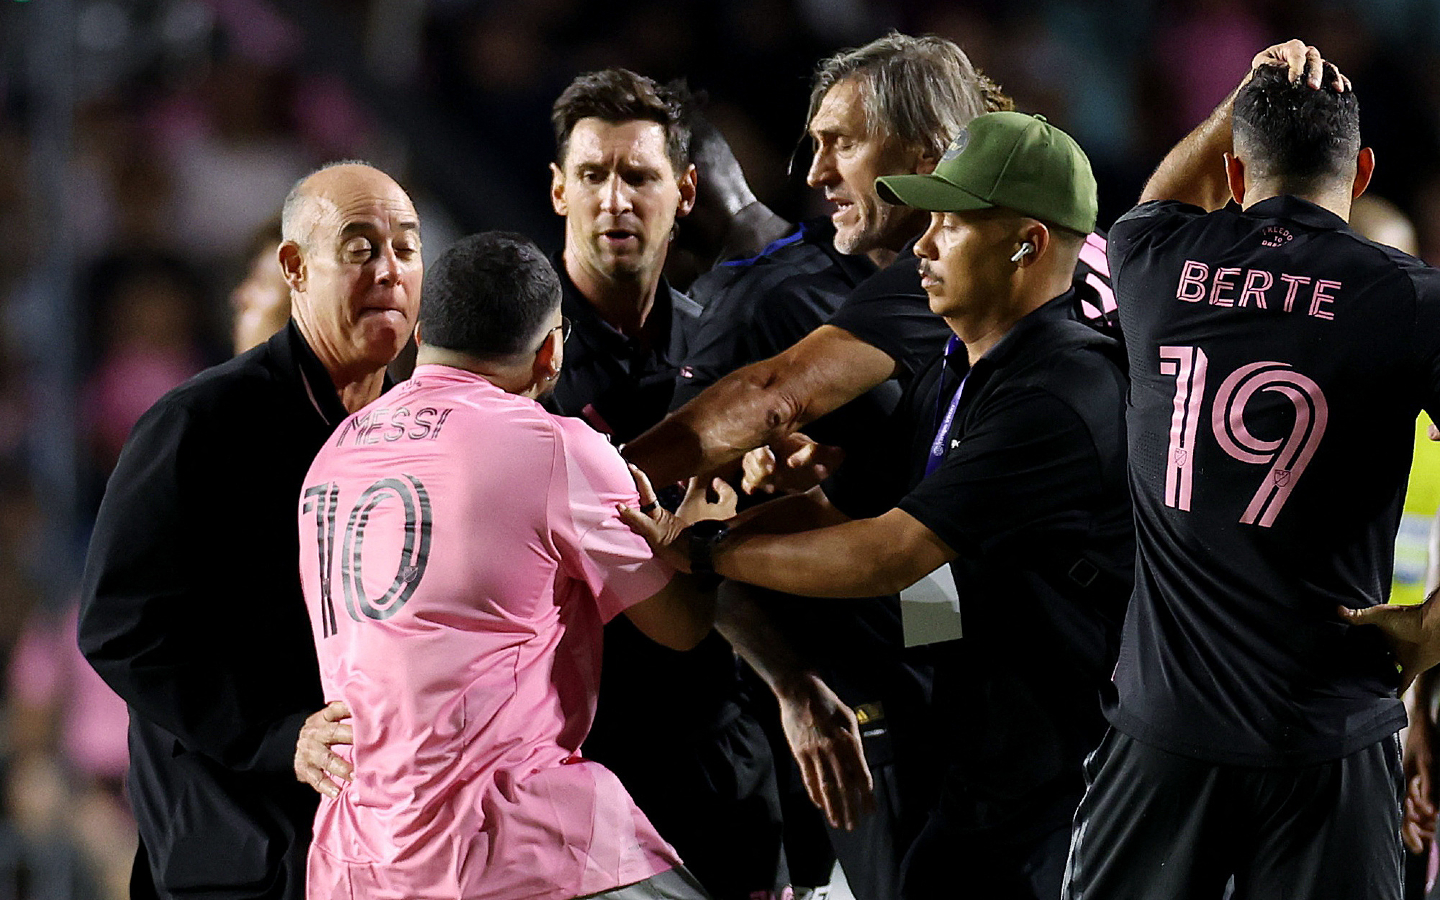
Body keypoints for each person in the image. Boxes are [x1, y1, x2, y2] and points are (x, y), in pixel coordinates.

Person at [624, 111, 1131, 900]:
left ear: (1028, 244)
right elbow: (867, 534)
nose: (923, 246)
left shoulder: (1062, 393)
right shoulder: (961, 369)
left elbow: (888, 554)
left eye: (951, 225)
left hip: (1072, 782)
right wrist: (764, 511)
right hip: (993, 757)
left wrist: (702, 550)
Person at [1063, 41, 1440, 900]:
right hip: (1330, 738)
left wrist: (1243, 89)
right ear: (1365, 172)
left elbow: (1158, 198)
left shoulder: (1154, 262)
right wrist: (1433, 627)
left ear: (1234, 173)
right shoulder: (1412, 300)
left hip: (1161, 735)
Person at [299, 231, 715, 900]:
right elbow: (681, 626)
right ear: (551, 352)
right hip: (514, 842)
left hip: (353, 861)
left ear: (417, 335)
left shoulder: (336, 452)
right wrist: (694, 536)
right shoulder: (555, 447)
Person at [78, 162, 423, 900]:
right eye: (360, 248)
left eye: (407, 248)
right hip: (241, 859)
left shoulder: (428, 432)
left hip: (399, 854)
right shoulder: (196, 425)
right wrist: (274, 735)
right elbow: (120, 627)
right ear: (294, 268)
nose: (390, 271)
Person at [544, 68, 786, 900]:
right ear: (558, 192)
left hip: (721, 753)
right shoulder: (515, 369)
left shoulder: (737, 348)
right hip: (579, 767)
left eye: (639, 176)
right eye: (593, 175)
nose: (615, 200)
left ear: (685, 192)